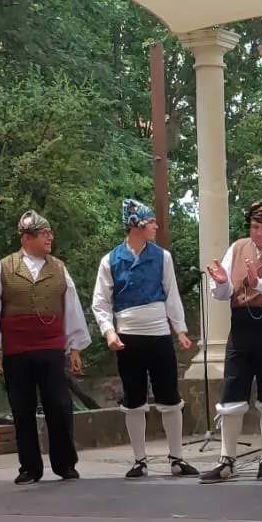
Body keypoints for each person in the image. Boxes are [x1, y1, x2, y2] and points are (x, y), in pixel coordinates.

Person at [0, 211, 90, 484]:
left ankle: (65, 464)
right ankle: (29, 467)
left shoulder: (59, 268)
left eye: (50, 232)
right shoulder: (4, 267)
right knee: (22, 408)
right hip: (17, 348)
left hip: (50, 345)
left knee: (59, 405)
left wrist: (75, 347)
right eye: (43, 233)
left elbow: (71, 309)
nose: (50, 237)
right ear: (26, 238)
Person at [92, 199, 197, 479]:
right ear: (136, 225)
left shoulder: (161, 257)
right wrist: (109, 331)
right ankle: (140, 460)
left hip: (158, 333)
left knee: (169, 396)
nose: (155, 226)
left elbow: (171, 293)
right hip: (127, 334)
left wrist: (180, 329)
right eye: (150, 222)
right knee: (133, 397)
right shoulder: (111, 260)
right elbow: (101, 302)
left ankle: (177, 458)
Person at [200, 198, 262, 483]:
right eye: (254, 226)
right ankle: (226, 460)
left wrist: (260, 284)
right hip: (242, 325)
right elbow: (224, 292)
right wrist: (221, 282)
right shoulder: (238, 247)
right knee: (233, 388)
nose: (257, 232)